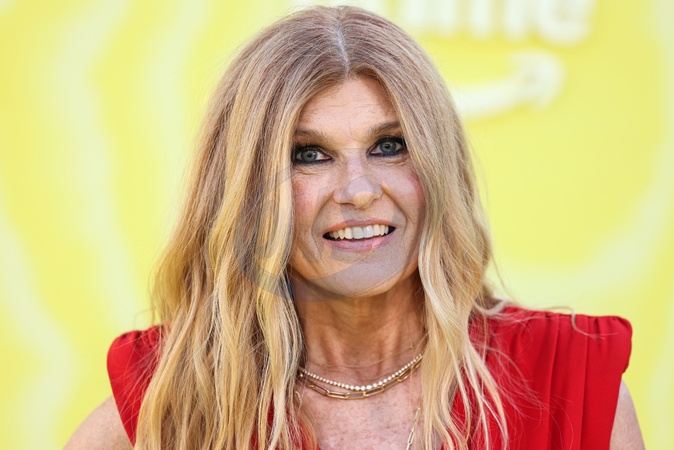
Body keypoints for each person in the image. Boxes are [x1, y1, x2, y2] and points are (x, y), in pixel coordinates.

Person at [65, 6, 644, 450]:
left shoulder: (573, 384)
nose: (359, 190)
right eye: (309, 155)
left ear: (439, 169)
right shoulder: (171, 401)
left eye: (390, 146)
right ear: (246, 192)